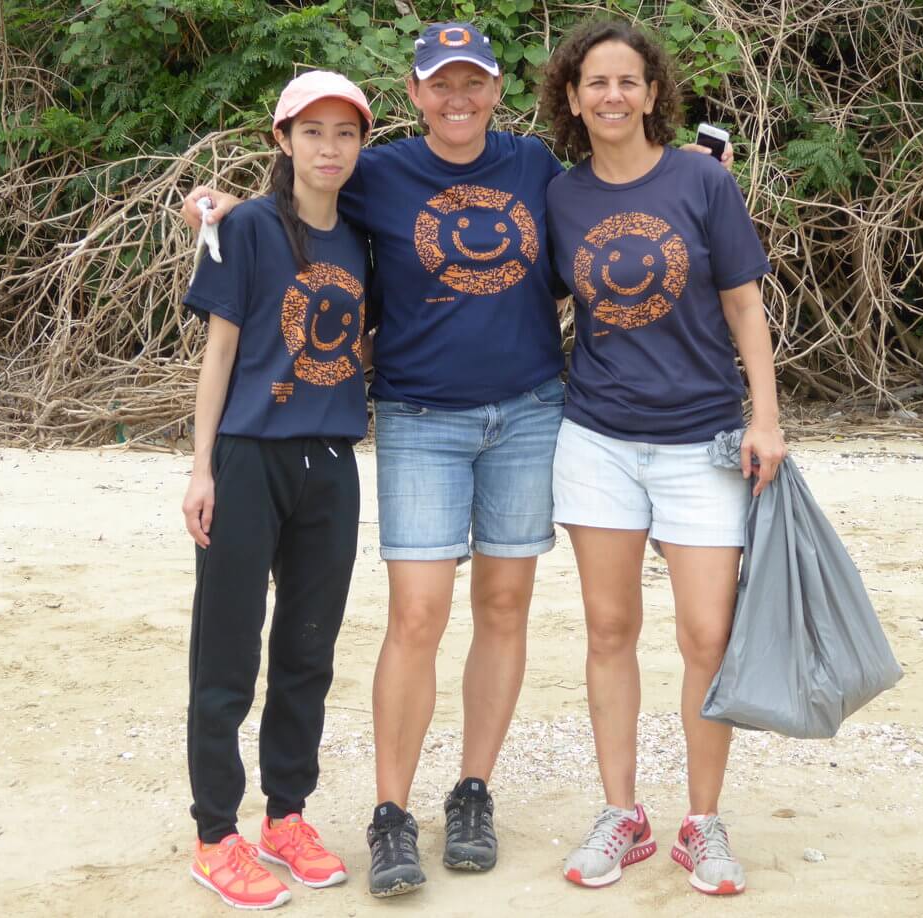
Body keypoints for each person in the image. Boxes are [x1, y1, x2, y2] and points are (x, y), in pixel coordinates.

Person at [182, 22, 733, 898]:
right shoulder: (379, 173)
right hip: (419, 417)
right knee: (417, 615)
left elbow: (613, 223)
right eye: (441, 84)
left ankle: (472, 790)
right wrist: (212, 203)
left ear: (498, 91)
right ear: (414, 94)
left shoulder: (534, 172)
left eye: (473, 82)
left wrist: (700, 192)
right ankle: (392, 813)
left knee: (505, 606)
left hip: (528, 412)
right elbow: (300, 197)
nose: (458, 99)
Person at [539, 19, 786, 896]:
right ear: (571, 97)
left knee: (706, 638)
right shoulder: (559, 196)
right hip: (598, 438)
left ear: (653, 93)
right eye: (594, 82)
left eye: (627, 82)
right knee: (609, 631)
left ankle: (703, 822)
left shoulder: (700, 181)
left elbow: (745, 304)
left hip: (703, 440)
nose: (612, 96)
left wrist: (767, 416)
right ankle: (622, 814)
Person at [180, 70, 373, 911]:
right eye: (313, 132)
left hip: (330, 462)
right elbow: (219, 354)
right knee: (226, 651)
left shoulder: (365, 237)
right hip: (250, 456)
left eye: (346, 133)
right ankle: (215, 834)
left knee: (307, 652)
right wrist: (201, 468)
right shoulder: (248, 228)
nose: (329, 148)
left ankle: (285, 816)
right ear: (282, 140)